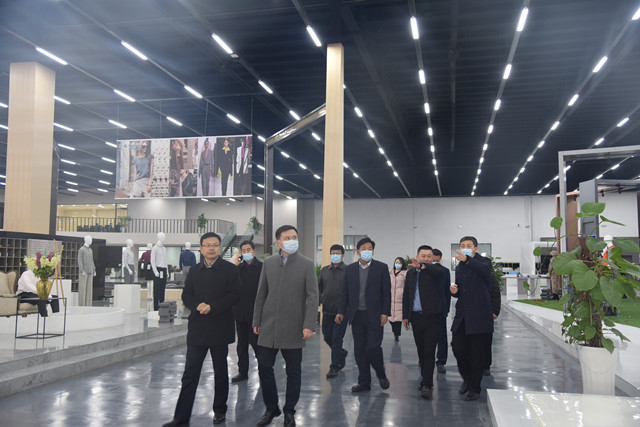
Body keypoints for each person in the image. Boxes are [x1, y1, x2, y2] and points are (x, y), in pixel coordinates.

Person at [163, 232, 241, 427]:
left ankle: (220, 411)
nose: (211, 248)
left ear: (219, 247)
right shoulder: (194, 270)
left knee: (220, 372)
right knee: (190, 373)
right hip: (198, 329)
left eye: (215, 245)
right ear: (201, 248)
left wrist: (212, 307)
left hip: (220, 328)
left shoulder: (230, 270)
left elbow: (235, 296)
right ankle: (181, 418)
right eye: (207, 245)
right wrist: (197, 305)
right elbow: (186, 294)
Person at [252, 225, 319, 426]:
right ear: (279, 242)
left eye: (294, 237)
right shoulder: (269, 263)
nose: (292, 240)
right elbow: (261, 293)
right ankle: (271, 407)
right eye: (287, 238)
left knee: (293, 372)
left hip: (294, 326)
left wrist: (309, 324)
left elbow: (313, 297)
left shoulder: (306, 264)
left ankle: (290, 410)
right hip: (268, 325)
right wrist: (257, 320)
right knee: (264, 366)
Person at [336, 237, 391, 393]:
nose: (367, 251)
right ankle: (364, 382)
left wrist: (385, 312)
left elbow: (386, 293)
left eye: (370, 249)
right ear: (358, 252)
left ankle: (381, 374)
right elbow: (344, 292)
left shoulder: (381, 267)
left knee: (373, 348)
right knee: (359, 350)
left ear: (373, 251)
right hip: (356, 316)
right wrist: (340, 311)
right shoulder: (350, 269)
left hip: (375, 315)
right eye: (364, 249)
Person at [450, 236, 494, 401]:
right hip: (462, 315)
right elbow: (462, 289)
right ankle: (467, 379)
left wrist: (468, 260)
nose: (465, 248)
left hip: (479, 316)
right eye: (462, 245)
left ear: (475, 248)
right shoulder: (459, 267)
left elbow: (485, 272)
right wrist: (454, 292)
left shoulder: (484, 262)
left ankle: (475, 388)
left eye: (469, 245)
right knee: (457, 348)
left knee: (476, 354)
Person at [403, 245, 444, 399]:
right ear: (418, 256)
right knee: (421, 351)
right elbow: (407, 295)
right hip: (416, 318)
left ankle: (427, 384)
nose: (426, 259)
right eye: (423, 256)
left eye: (429, 256)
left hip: (433, 317)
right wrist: (405, 316)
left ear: (433, 258)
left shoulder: (436, 271)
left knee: (429, 351)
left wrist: (423, 267)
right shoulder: (411, 273)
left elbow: (439, 273)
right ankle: (425, 378)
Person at [231, 240, 263, 382]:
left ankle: (263, 371)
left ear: (254, 251)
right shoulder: (238, 268)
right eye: (243, 251)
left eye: (248, 250)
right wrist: (235, 266)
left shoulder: (262, 268)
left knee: (257, 345)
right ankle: (242, 372)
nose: (246, 253)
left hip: (255, 314)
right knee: (241, 345)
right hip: (240, 313)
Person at [318, 244, 348, 379]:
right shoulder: (325, 270)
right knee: (327, 337)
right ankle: (341, 353)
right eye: (333, 253)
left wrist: (344, 310)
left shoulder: (348, 271)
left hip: (342, 312)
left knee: (336, 338)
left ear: (342, 255)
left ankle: (334, 367)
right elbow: (319, 288)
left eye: (338, 253)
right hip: (327, 310)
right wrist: (320, 301)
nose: (335, 255)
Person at [432, 248, 451, 374]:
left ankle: (441, 361)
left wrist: (446, 308)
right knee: (426, 337)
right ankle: (424, 359)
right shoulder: (423, 270)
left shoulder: (445, 271)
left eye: (436, 257)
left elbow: (447, 291)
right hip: (426, 309)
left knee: (441, 336)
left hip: (440, 308)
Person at [389, 257, 407, 342]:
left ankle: (397, 334)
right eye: (396, 262)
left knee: (398, 319)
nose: (397, 264)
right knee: (391, 318)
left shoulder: (405, 273)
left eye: (399, 263)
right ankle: (394, 331)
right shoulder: (390, 273)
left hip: (400, 298)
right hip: (391, 297)